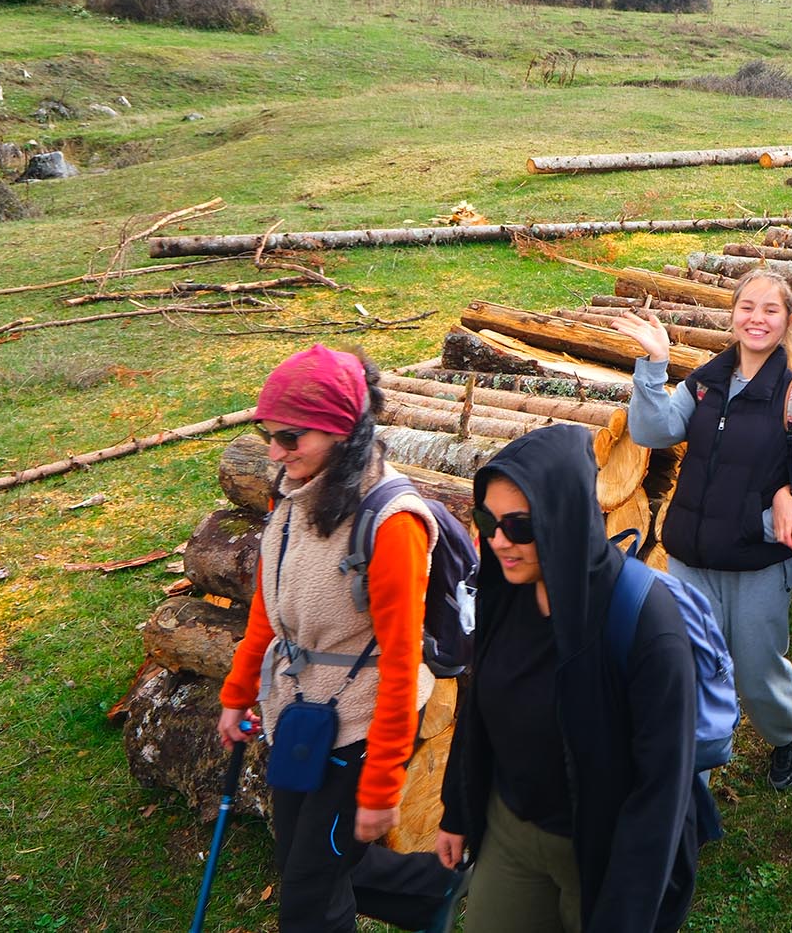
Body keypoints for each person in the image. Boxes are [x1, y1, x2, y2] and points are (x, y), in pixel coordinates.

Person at [217, 346, 457, 933]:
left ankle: (433, 892)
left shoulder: (391, 523)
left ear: (341, 431)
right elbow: (269, 612)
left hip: (359, 729)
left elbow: (402, 663)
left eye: (290, 436)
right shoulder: (294, 494)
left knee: (307, 897)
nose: (275, 450)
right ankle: (438, 891)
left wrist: (381, 787)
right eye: (267, 433)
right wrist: (238, 692)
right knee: (306, 859)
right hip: (299, 711)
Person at [436, 425, 699, 933]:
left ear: (565, 519)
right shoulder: (505, 592)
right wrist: (456, 809)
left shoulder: (646, 624)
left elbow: (660, 791)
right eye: (487, 520)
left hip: (601, 853)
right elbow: (480, 707)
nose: (497, 541)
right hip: (510, 832)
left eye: (518, 526)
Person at [613, 272, 792, 793]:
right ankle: (694, 778)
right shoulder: (704, 383)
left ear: (786, 321)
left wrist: (760, 519)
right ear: (732, 315)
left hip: (757, 565)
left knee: (755, 675)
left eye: (770, 310)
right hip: (689, 558)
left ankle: (786, 731)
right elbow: (652, 430)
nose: (757, 318)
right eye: (747, 307)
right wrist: (652, 366)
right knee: (690, 668)